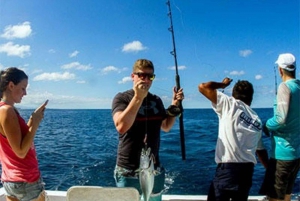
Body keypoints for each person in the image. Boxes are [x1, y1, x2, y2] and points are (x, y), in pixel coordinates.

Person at [111, 59, 184, 201]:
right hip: (128, 169)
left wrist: (174, 104)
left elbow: (166, 126)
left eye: (150, 76)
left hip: (153, 168)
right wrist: (138, 97)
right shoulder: (122, 98)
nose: (146, 80)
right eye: (141, 75)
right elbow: (121, 126)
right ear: (133, 76)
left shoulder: (156, 100)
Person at [198, 78, 268, 201]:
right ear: (251, 98)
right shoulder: (256, 120)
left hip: (227, 171)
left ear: (233, 95)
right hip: (247, 173)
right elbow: (260, 150)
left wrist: (223, 84)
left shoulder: (229, 103)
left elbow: (203, 87)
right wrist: (269, 170)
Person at [0, 67, 48, 201]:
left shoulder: (4, 109)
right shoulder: (7, 111)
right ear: (11, 85)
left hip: (10, 179)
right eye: (23, 88)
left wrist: (32, 120)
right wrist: (36, 123)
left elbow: (17, 141)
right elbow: (20, 152)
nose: (25, 93)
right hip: (26, 180)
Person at [259, 53, 300, 201]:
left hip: (282, 155)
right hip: (296, 155)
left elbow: (281, 119)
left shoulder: (284, 87)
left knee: (275, 198)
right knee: (286, 195)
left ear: (280, 70)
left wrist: (266, 125)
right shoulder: (299, 87)